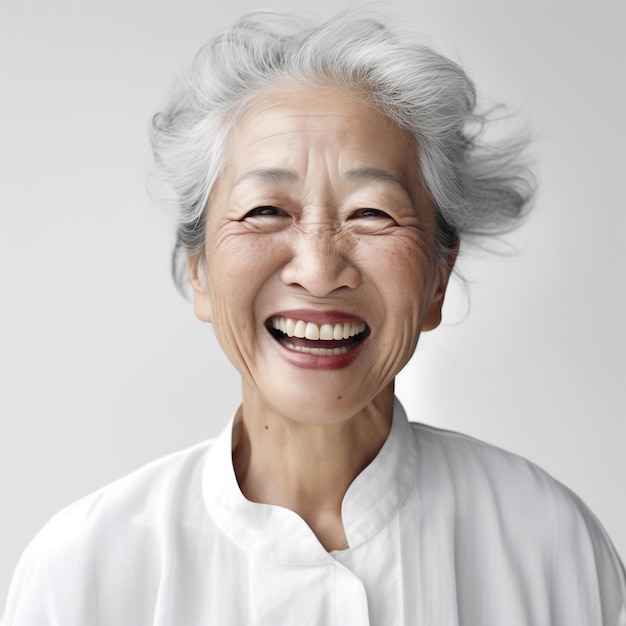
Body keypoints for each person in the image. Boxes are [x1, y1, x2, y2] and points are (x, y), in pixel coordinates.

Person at [2, 9, 625, 626]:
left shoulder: (550, 544)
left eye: (372, 213)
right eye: (266, 210)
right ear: (199, 270)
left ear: (438, 277)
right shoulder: (84, 572)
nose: (320, 268)